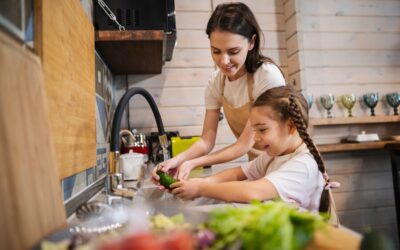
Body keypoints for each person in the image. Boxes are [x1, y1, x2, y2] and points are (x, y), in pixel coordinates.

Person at [153, 2, 285, 181]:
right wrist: (176, 160)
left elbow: (243, 145)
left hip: (287, 166)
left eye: (233, 51)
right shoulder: (217, 83)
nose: (224, 61)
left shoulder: (267, 76)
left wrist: (193, 163)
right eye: (216, 51)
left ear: (252, 42)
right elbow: (207, 140)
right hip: (258, 169)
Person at [169, 86, 334, 213]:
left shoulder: (303, 165)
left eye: (262, 130)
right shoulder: (274, 155)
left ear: (290, 125)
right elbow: (239, 172)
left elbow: (252, 191)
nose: (255, 138)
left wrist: (201, 188)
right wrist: (204, 182)